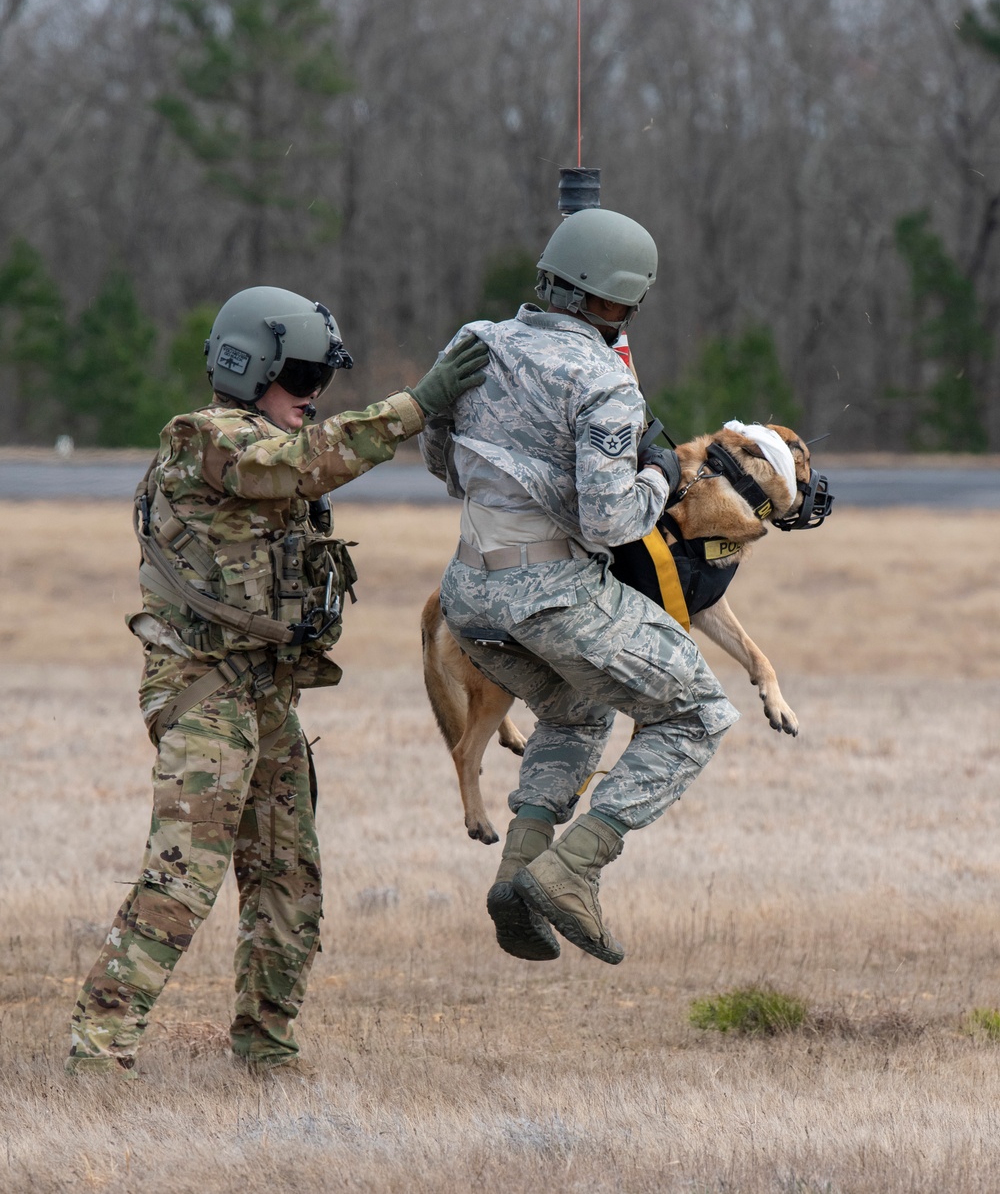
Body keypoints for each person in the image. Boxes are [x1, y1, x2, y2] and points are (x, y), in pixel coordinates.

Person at [67, 286, 488, 1075]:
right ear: (249, 366)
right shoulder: (205, 440)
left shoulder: (270, 449)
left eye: (322, 378)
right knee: (184, 875)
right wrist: (416, 404)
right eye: (299, 376)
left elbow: (303, 467)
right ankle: (96, 1049)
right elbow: (300, 463)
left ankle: (267, 1048)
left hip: (265, 693)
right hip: (203, 688)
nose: (312, 397)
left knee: (289, 876)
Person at [421, 209, 739, 966]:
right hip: (553, 592)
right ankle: (572, 870)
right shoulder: (603, 381)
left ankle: (517, 873)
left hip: (469, 595)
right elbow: (610, 522)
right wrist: (662, 472)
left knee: (575, 707)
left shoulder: (473, 341)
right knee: (697, 713)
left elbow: (442, 461)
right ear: (619, 301)